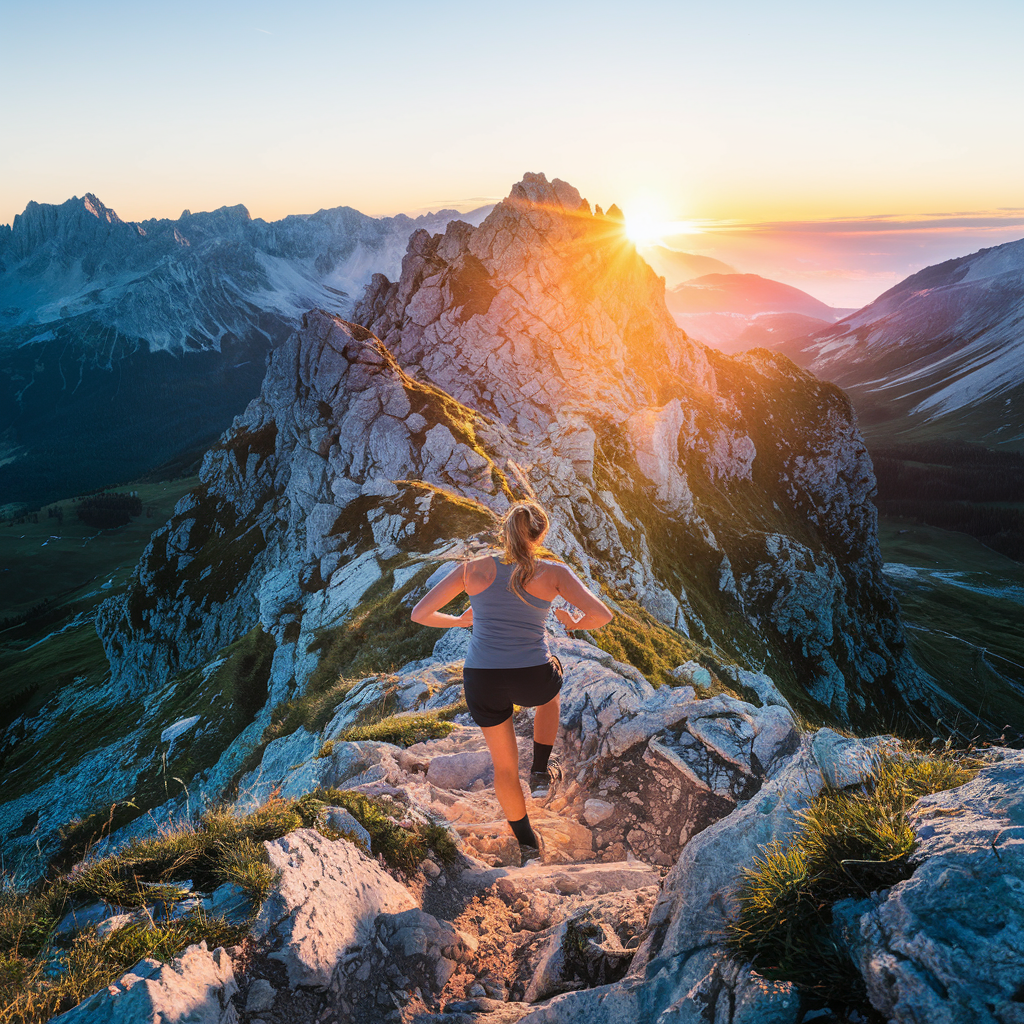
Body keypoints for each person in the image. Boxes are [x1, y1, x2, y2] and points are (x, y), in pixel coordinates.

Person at [410, 499, 614, 863]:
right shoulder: (554, 573)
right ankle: (539, 771)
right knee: (550, 693)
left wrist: (461, 621)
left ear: (505, 531)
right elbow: (602, 615)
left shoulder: (471, 569)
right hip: (532, 675)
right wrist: (572, 621)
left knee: (503, 767)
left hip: (482, 680)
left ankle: (527, 846)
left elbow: (420, 613)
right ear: (540, 536)